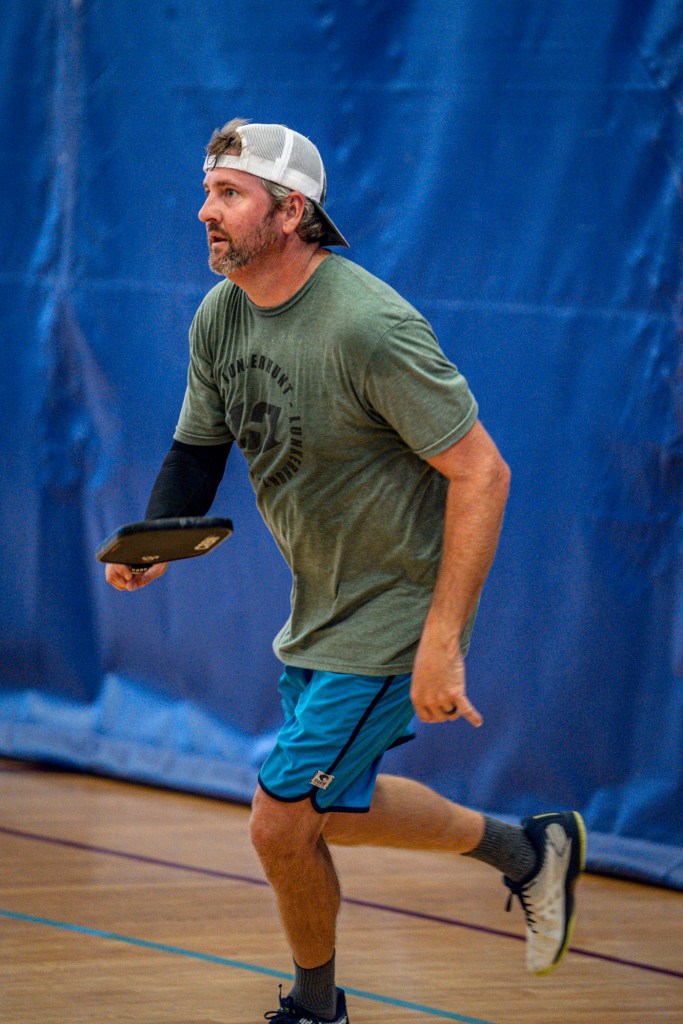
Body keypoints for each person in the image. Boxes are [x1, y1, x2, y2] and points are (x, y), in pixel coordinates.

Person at [105, 119, 586, 1024]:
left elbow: (483, 473)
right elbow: (198, 447)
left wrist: (440, 640)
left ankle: (315, 1009)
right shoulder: (220, 315)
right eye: (207, 192)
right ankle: (528, 851)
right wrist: (155, 542)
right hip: (321, 605)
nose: (205, 211)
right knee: (334, 810)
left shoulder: (369, 326)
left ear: (291, 212)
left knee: (279, 821)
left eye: (229, 194)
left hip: (396, 608)